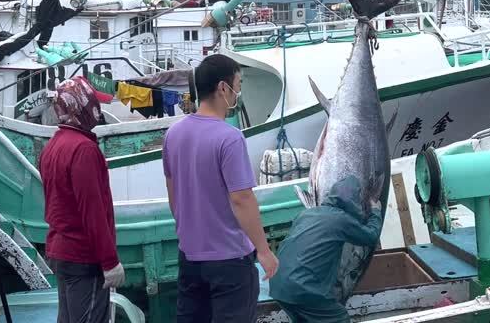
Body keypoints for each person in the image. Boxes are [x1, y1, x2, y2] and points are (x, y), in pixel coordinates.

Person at [162, 54, 279, 322]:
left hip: (190, 255)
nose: (239, 90)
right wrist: (262, 249)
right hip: (230, 260)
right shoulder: (229, 137)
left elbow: (174, 197)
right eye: (238, 83)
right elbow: (241, 198)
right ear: (223, 88)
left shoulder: (173, 134)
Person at [39, 77, 125, 323]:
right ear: (82, 107)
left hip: (60, 251)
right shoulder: (84, 150)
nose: (97, 110)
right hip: (83, 256)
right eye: (94, 103)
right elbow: (93, 212)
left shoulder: (52, 146)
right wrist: (110, 262)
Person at [269, 175, 383, 323]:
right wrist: (375, 211)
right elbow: (371, 237)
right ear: (354, 201)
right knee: (339, 318)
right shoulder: (341, 220)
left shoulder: (306, 214)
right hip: (303, 289)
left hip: (278, 285)